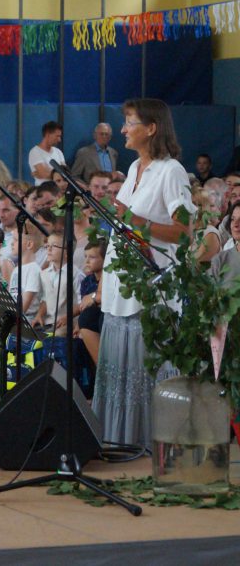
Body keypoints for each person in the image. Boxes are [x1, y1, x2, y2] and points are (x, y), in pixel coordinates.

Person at [92, 98, 194, 450]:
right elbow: (123, 225)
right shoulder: (134, 168)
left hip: (154, 288)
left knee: (148, 363)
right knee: (121, 362)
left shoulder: (172, 171)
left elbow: (185, 232)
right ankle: (121, 438)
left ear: (151, 128)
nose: (122, 129)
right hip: (123, 284)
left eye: (130, 122)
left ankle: (154, 442)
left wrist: (139, 223)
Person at [75, 239, 106, 365]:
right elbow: (82, 305)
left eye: (92, 257)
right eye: (85, 256)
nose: (86, 261)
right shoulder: (87, 281)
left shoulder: (107, 278)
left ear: (105, 260)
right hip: (86, 321)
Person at [28, 121, 65, 185]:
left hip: (59, 192)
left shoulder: (58, 152)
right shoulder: (35, 152)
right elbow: (43, 173)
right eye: (57, 136)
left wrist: (49, 173)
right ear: (48, 135)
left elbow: (66, 173)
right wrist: (58, 174)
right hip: (43, 190)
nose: (59, 140)